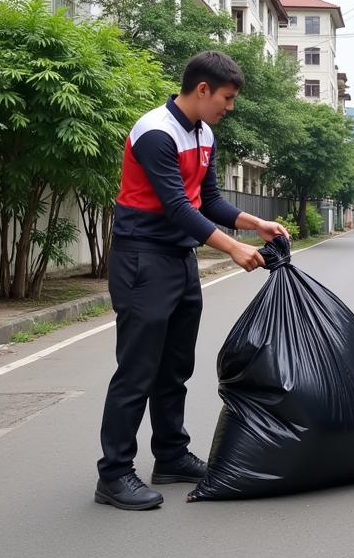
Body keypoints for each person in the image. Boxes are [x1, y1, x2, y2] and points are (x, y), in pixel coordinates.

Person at [95, 50, 290, 511]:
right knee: (138, 369)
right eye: (226, 98)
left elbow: (207, 200)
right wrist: (233, 248)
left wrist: (251, 223)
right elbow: (176, 206)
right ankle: (115, 474)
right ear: (202, 90)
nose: (230, 107)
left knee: (175, 367)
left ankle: (171, 454)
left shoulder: (203, 133)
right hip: (142, 258)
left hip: (178, 259)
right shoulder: (155, 132)